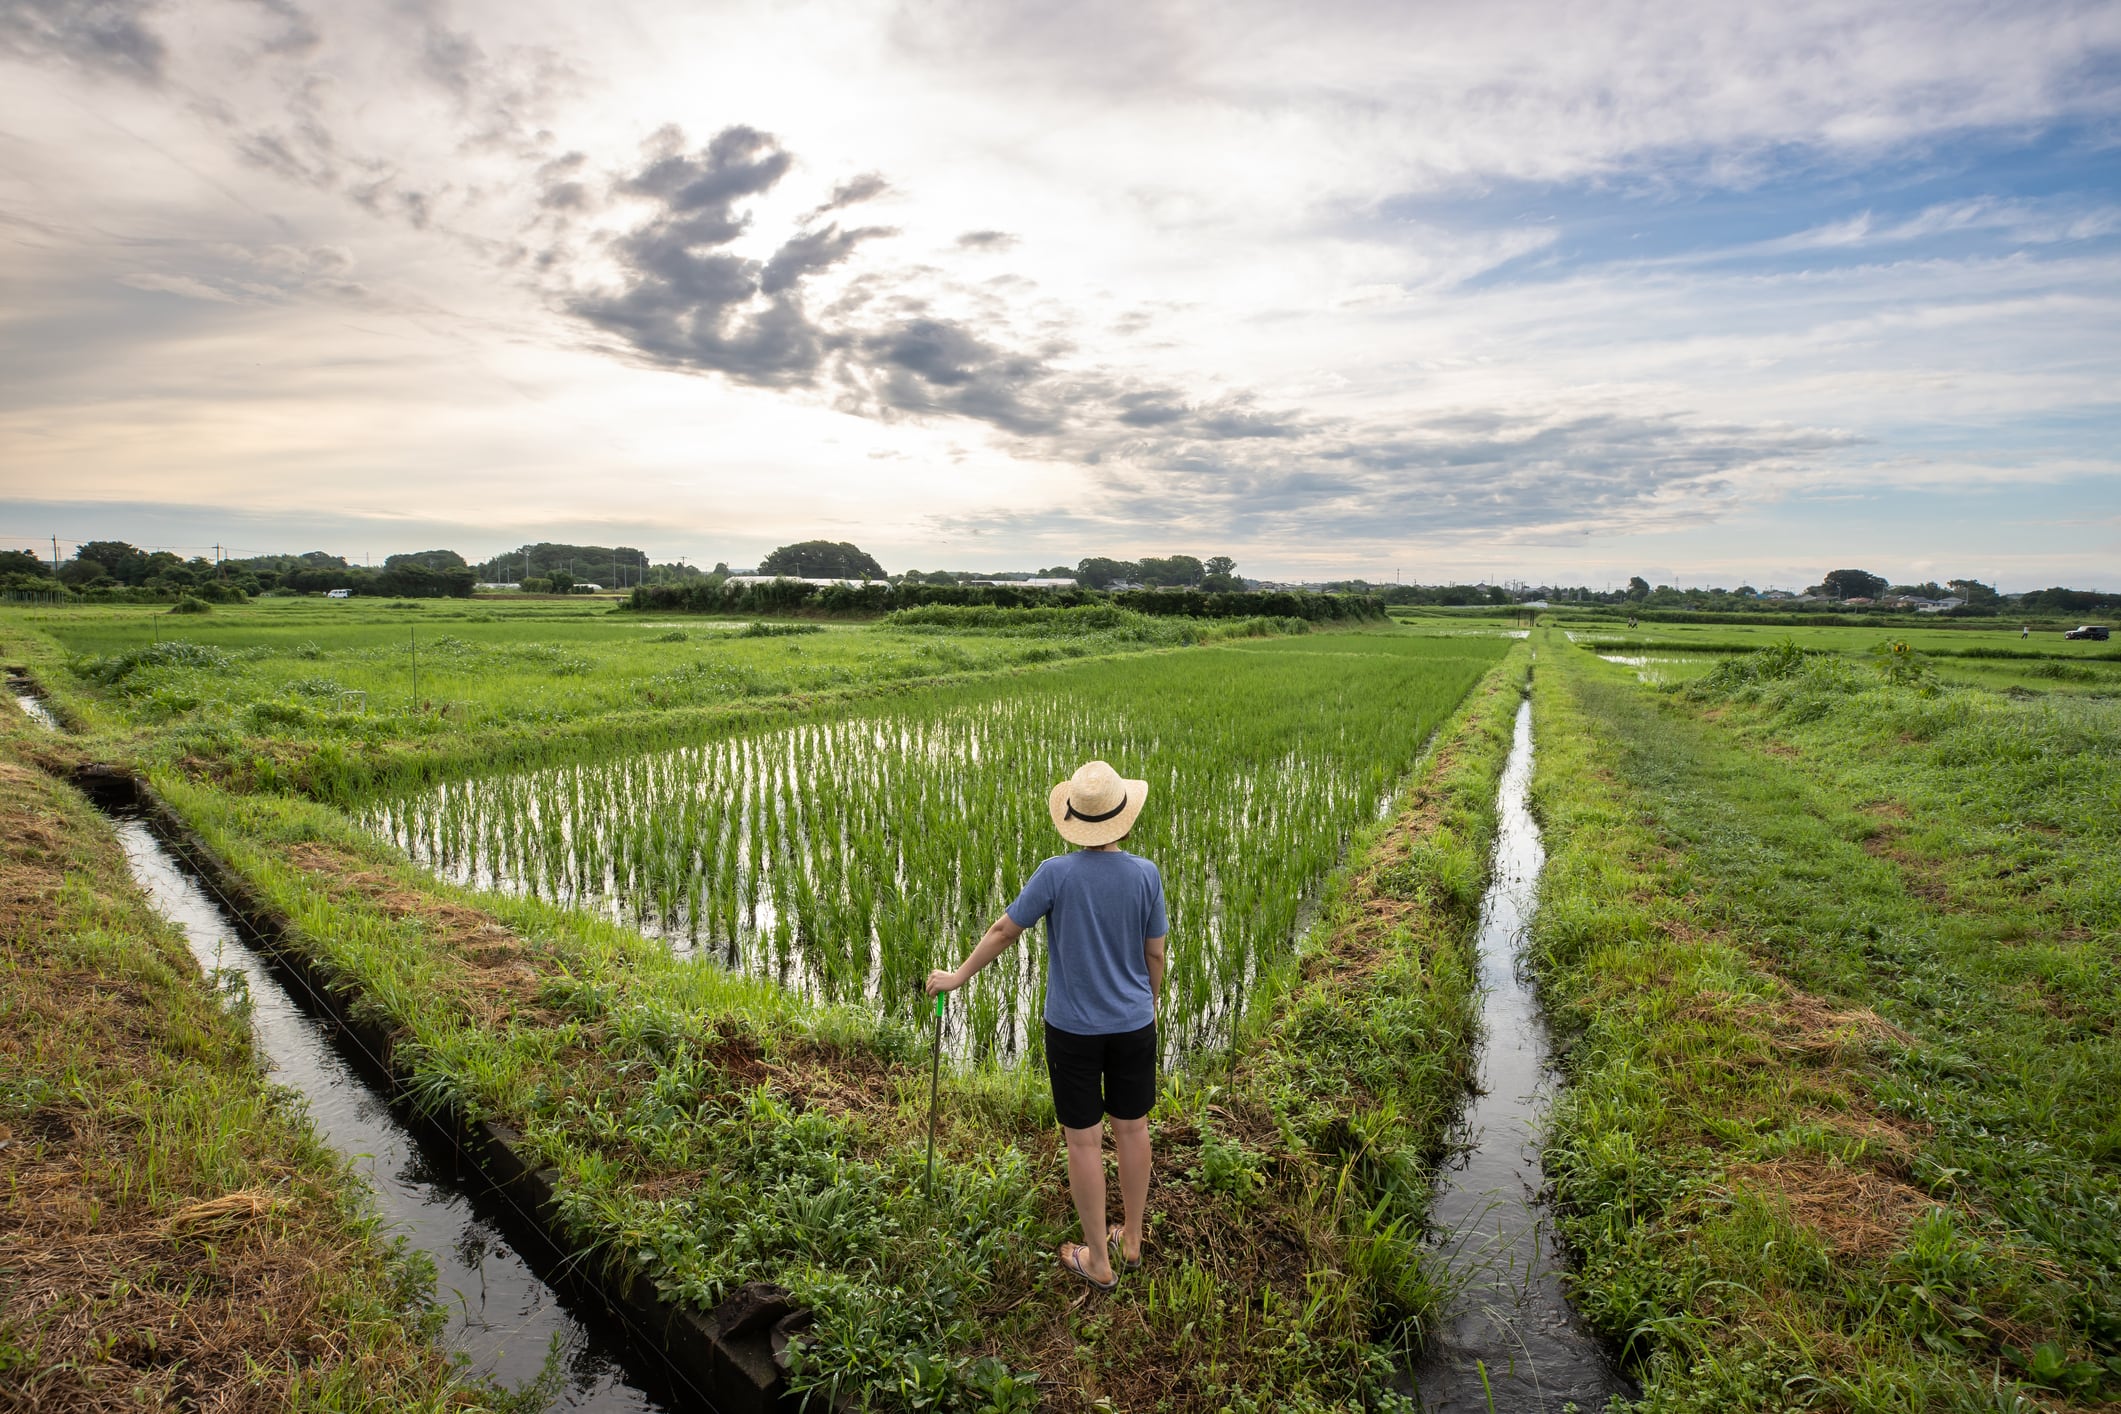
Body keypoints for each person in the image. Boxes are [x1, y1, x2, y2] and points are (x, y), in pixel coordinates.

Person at [926, 759, 1167, 1291]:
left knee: (1084, 1142)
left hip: (1073, 1031)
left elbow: (1004, 929)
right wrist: (1145, 1002)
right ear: (1123, 817)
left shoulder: (1055, 873)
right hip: (1133, 1025)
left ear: (1074, 820)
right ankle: (1131, 1240)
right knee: (1133, 1128)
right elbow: (1155, 954)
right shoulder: (1146, 874)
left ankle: (1098, 1260)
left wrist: (957, 977)